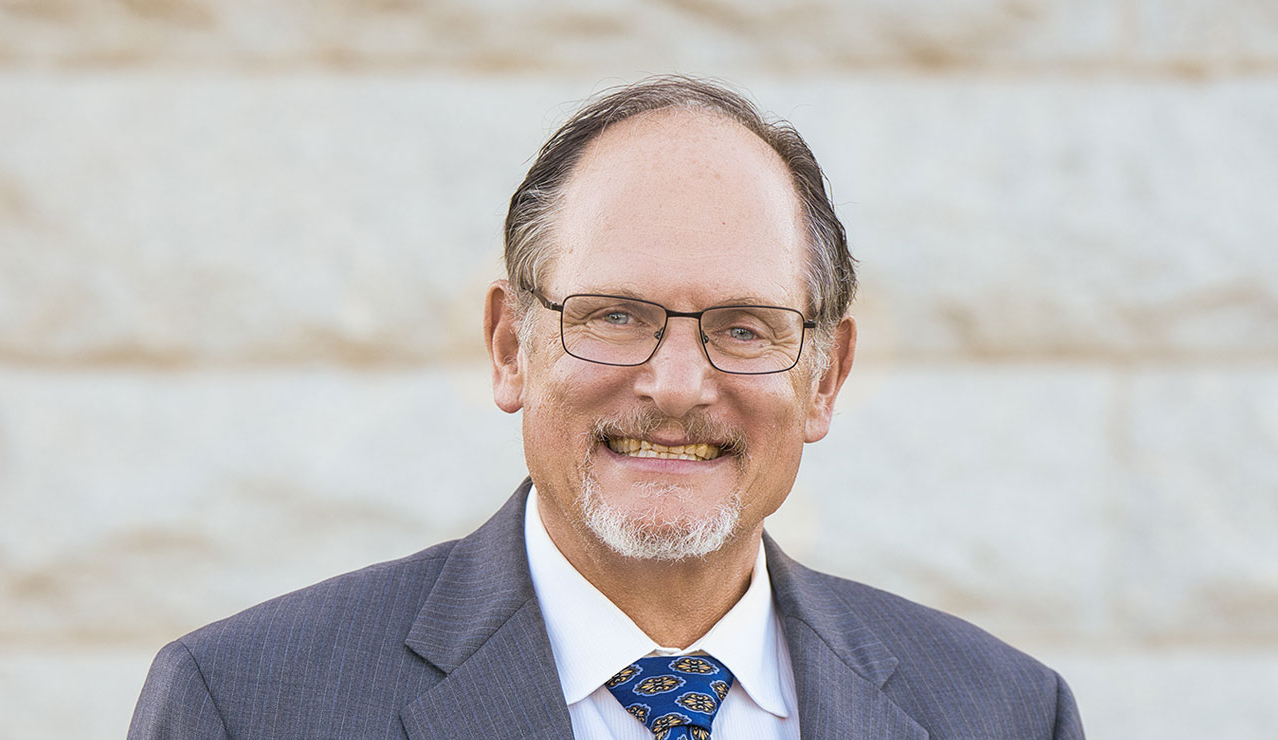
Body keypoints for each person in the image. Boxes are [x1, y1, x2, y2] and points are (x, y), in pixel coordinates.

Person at [128, 75, 1083, 739]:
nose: (674, 386)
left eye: (745, 328)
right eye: (615, 316)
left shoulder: (1001, 714)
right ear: (511, 348)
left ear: (824, 379)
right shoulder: (249, 707)